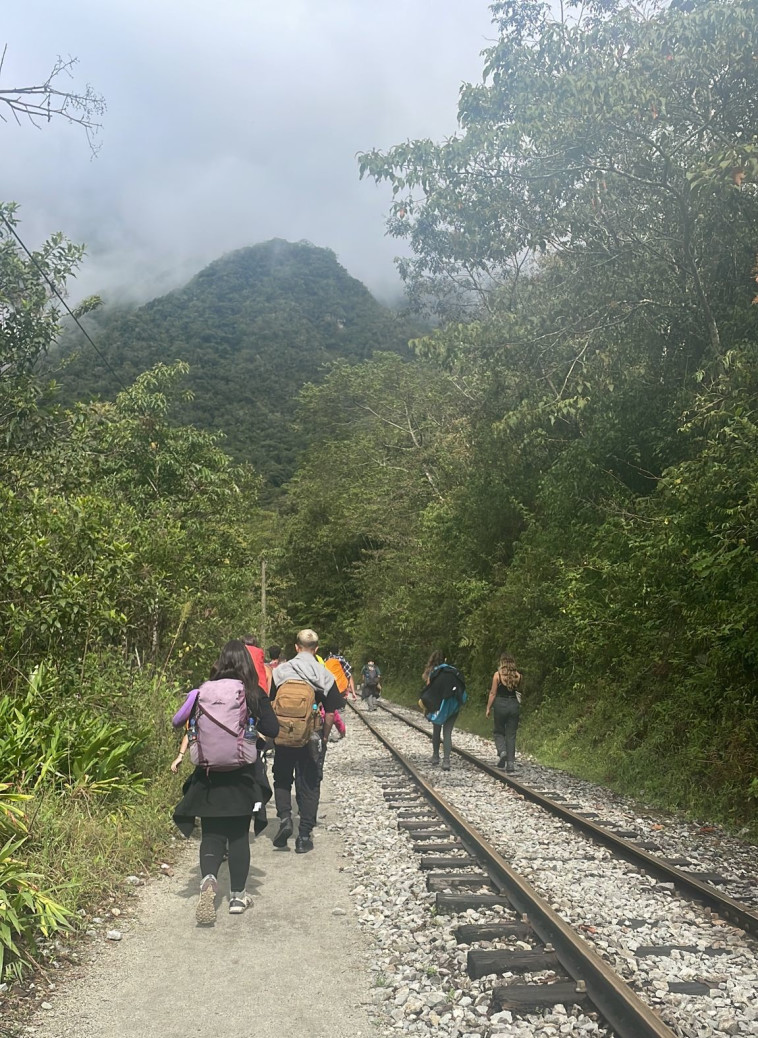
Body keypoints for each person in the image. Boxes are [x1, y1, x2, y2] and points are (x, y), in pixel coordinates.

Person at [172, 640, 279, 925]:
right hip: (243, 778)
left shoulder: (202, 691)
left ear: (220, 661)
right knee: (239, 836)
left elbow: (182, 724)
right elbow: (273, 729)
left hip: (208, 778)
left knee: (211, 834)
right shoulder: (253, 693)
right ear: (246, 662)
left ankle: (208, 881)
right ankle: (237, 897)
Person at [269, 628, 343, 854]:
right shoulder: (324, 675)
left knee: (282, 777)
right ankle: (303, 836)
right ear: (317, 649)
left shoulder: (281, 671)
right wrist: (324, 736)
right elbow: (330, 713)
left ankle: (284, 820)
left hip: (283, 735)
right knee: (309, 782)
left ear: (296, 647)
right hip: (310, 736)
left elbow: (272, 703)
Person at [419, 650, 467, 771]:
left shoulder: (434, 673)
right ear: (445, 659)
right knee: (447, 732)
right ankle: (446, 761)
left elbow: (429, 690)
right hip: (453, 705)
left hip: (438, 706)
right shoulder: (453, 671)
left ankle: (435, 756)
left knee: (436, 730)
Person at [485, 653, 522, 772]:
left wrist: (488, 708)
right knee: (511, 735)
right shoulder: (518, 676)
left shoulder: (498, 675)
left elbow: (493, 693)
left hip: (500, 704)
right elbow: (520, 692)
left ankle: (502, 751)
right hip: (514, 705)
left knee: (498, 731)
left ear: (502, 663)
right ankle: (510, 764)